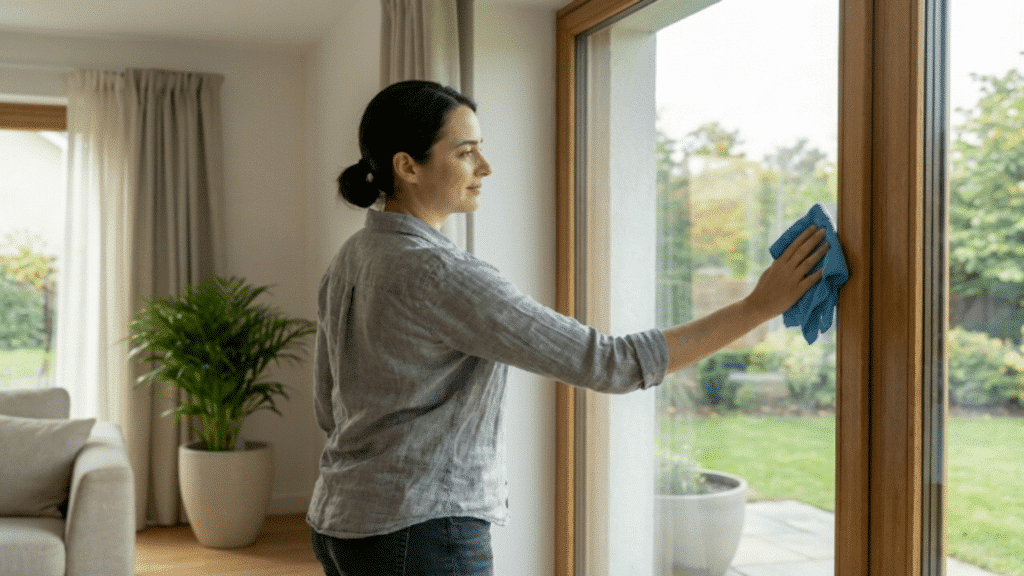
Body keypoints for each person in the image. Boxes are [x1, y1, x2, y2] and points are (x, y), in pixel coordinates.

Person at [307, 80, 829, 576]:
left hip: (341, 523)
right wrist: (759, 305)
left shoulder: (352, 257)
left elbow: (329, 407)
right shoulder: (440, 273)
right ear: (407, 167)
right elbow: (612, 363)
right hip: (416, 532)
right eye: (465, 152)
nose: (486, 167)